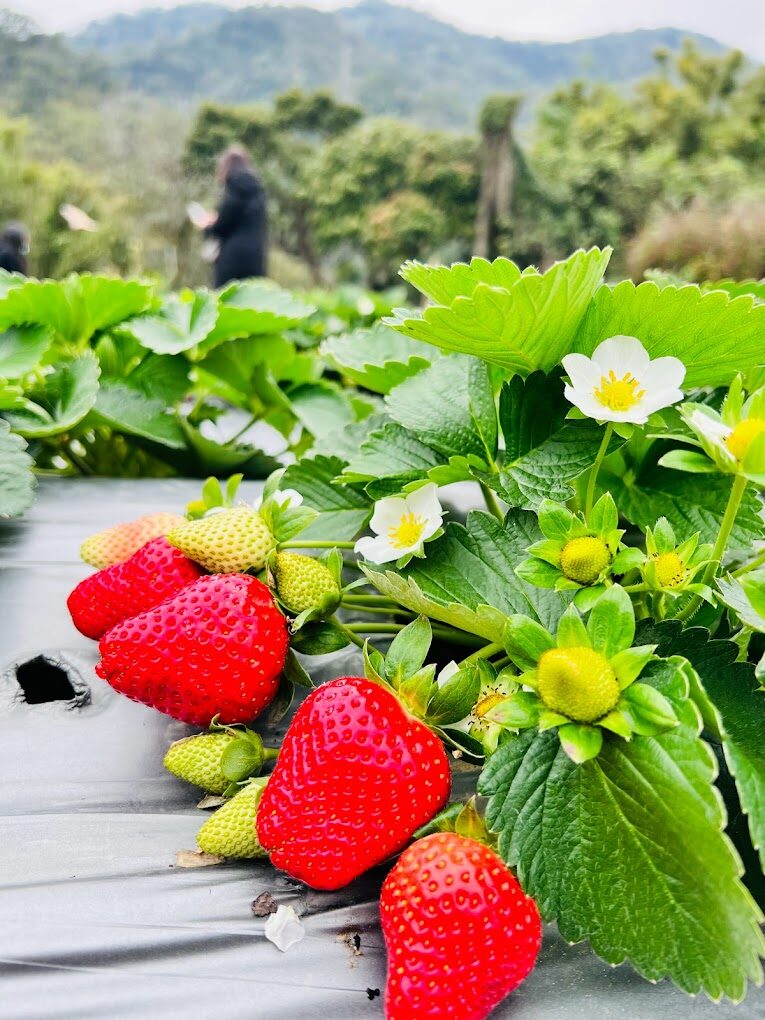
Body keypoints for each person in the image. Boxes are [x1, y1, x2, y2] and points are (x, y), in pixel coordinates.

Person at [191, 146, 268, 288]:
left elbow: (223, 225)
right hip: (256, 257)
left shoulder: (235, 188)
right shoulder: (257, 189)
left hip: (233, 259)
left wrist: (207, 225)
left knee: (225, 302)